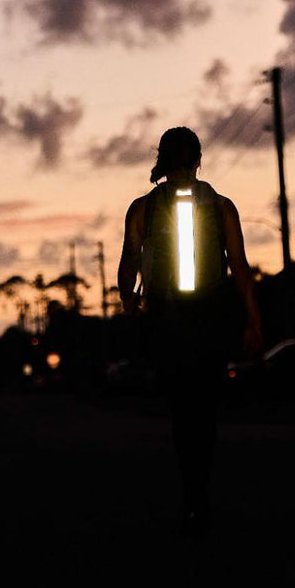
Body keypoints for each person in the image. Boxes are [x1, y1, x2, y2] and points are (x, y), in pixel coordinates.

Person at [118, 127, 263, 537]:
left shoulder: (143, 207)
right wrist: (254, 320)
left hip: (168, 318)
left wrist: (129, 301)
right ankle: (199, 488)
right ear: (199, 159)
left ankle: (192, 491)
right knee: (204, 407)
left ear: (162, 161)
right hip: (210, 316)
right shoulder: (221, 206)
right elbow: (240, 268)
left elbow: (128, 263)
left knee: (182, 407)